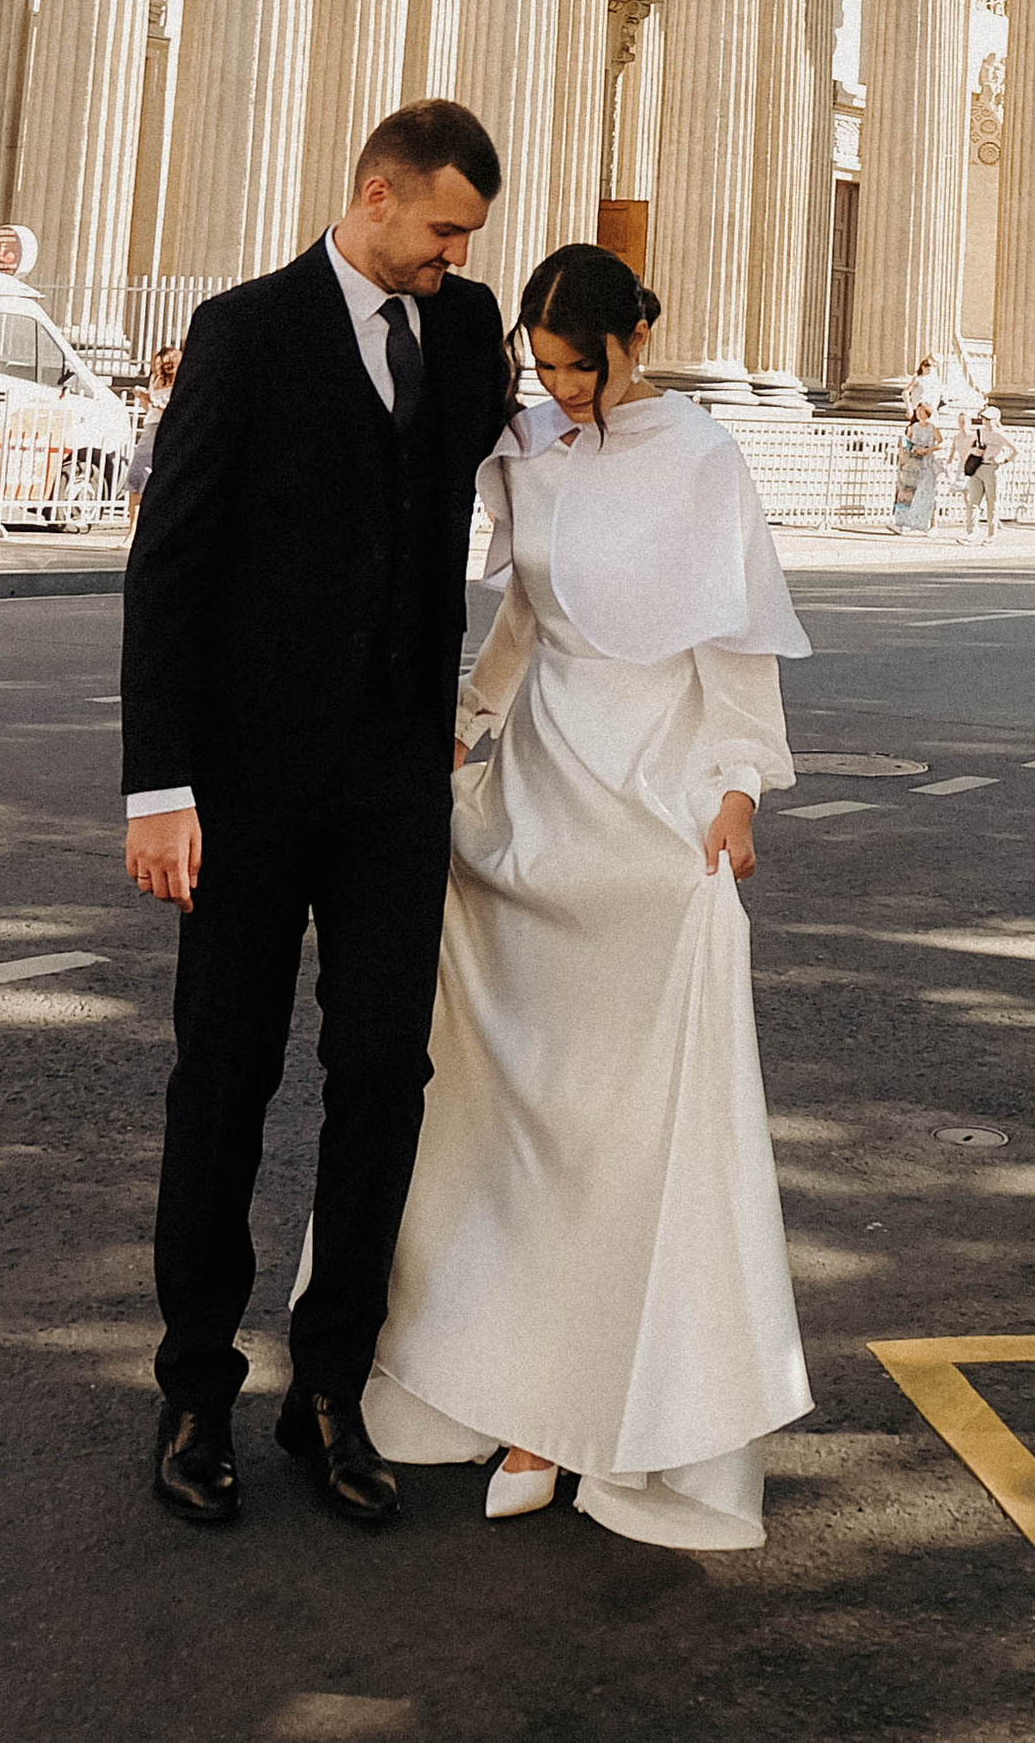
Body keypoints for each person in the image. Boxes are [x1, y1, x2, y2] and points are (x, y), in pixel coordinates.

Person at [363, 243, 812, 1548]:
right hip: (536, 803)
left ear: (634, 339)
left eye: (577, 365)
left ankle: (594, 1407)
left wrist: (737, 784)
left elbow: (734, 630)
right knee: (517, 1111)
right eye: (540, 366)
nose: (556, 389)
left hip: (652, 811)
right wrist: (470, 717)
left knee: (626, 1127)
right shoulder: (531, 445)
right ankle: (509, 1383)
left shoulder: (704, 456)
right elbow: (524, 609)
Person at [120, 100, 508, 1536]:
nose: (460, 256)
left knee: (381, 1076)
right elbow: (168, 567)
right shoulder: (246, 326)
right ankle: (193, 1387)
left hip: (395, 780)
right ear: (377, 194)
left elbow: (526, 474)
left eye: (468, 235)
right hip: (243, 784)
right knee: (222, 1076)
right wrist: (159, 788)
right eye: (445, 228)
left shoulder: (461, 334)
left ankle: (329, 1384)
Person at [127, 341, 181, 529]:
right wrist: (145, 400)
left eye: (161, 363)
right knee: (138, 473)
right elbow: (150, 409)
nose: (157, 366)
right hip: (151, 426)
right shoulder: (154, 379)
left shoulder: (179, 381)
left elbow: (176, 411)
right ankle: (132, 528)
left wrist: (155, 402)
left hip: (168, 429)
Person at [958, 398, 1008, 538]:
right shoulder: (979, 432)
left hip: (992, 469)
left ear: (995, 419)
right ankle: (971, 532)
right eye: (984, 419)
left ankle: (991, 534)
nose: (986, 422)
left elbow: (1015, 450)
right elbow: (970, 447)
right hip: (978, 467)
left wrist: (1004, 460)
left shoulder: (1000, 434)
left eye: (989, 419)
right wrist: (974, 451)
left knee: (992, 502)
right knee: (973, 501)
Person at [892, 393, 941, 536]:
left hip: (926, 463)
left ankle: (928, 524)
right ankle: (905, 522)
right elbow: (905, 443)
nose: (919, 414)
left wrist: (927, 450)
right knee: (908, 492)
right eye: (918, 412)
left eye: (922, 412)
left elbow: (941, 443)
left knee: (926, 493)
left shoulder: (933, 428)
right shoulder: (913, 427)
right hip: (913, 462)